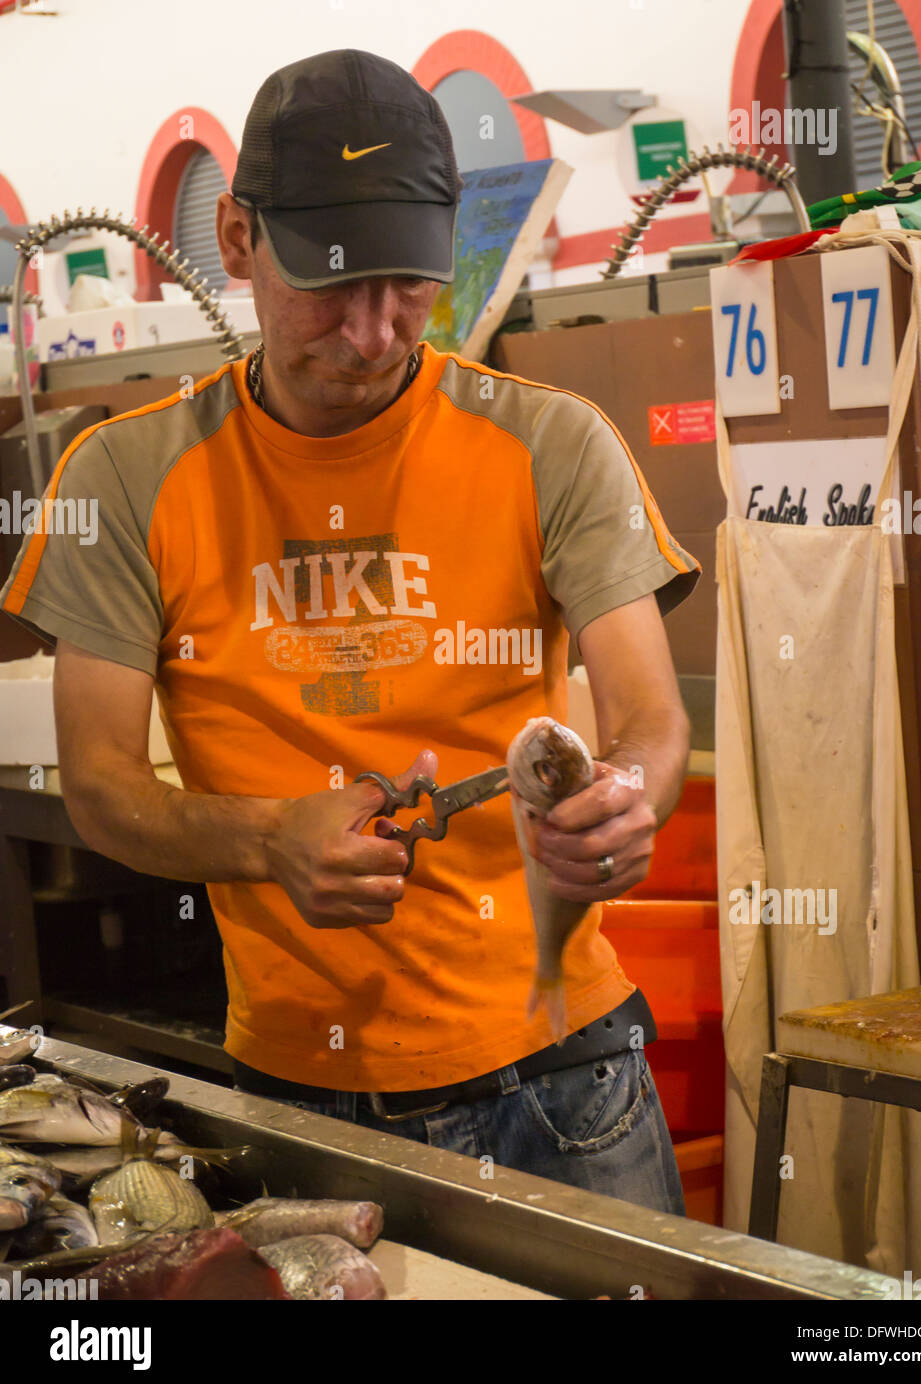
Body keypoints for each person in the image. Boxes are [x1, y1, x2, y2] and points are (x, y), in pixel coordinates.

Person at [0, 50, 700, 1215]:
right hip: (299, 1105)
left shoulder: (551, 444)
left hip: (567, 1086)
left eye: (407, 288)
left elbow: (651, 721)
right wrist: (273, 838)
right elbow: (104, 789)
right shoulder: (127, 477)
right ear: (235, 238)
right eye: (331, 287)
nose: (374, 334)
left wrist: (628, 797)